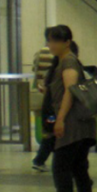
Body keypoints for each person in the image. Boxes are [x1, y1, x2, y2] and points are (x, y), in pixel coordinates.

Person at [41, 25, 96, 192]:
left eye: (55, 41)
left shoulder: (69, 61)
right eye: (49, 40)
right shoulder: (63, 61)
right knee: (79, 168)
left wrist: (60, 119)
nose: (51, 45)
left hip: (72, 125)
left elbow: (70, 91)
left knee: (61, 168)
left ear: (67, 42)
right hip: (79, 124)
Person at [31, 43, 57, 172]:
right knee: (51, 133)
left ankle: (40, 160)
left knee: (48, 131)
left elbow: (34, 70)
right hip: (51, 102)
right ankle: (39, 160)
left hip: (44, 100)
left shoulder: (39, 53)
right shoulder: (54, 55)